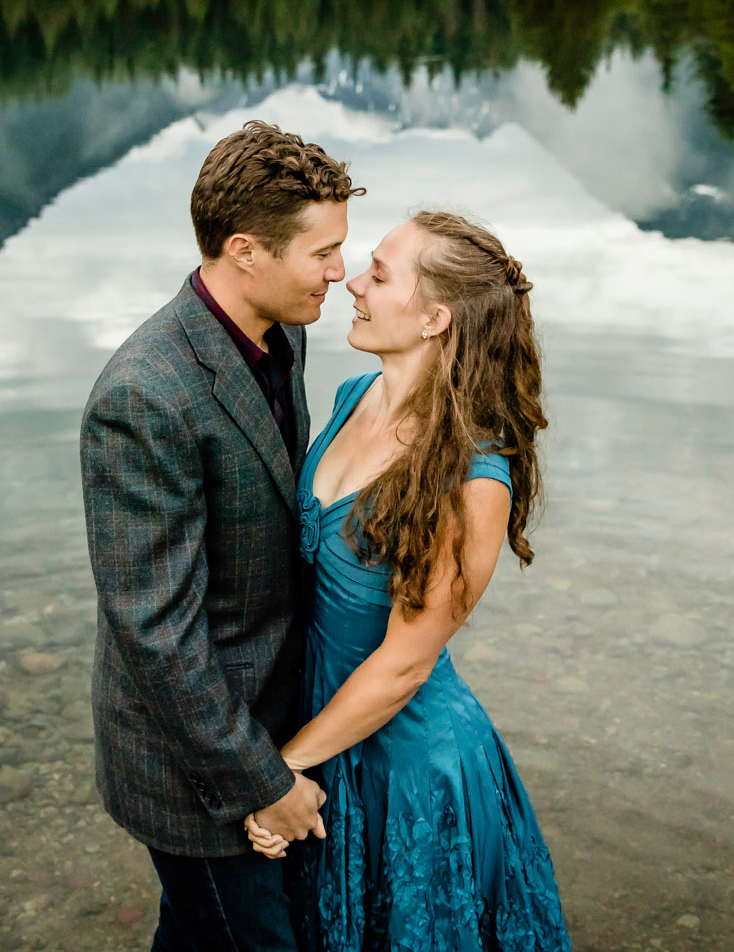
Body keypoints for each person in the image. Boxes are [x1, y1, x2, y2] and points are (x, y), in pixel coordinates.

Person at [245, 210, 572, 952]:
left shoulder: (472, 477)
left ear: (435, 317)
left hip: (410, 769)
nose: (351, 282)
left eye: (379, 273)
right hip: (325, 731)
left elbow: (403, 665)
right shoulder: (352, 395)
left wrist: (279, 772)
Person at [81, 120, 362, 951]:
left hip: (272, 718)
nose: (340, 272)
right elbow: (156, 631)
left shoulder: (287, 329)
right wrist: (262, 782)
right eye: (323, 252)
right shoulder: (142, 397)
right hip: (194, 769)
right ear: (245, 250)